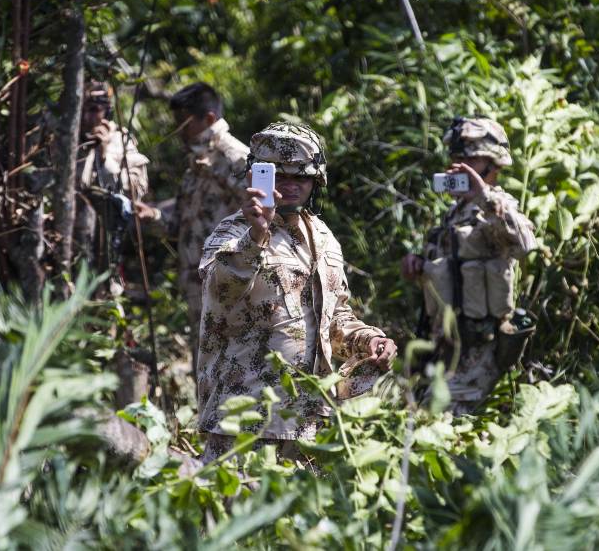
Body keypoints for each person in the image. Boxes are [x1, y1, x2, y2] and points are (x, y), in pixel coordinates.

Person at [196, 122, 397, 463]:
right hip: (246, 418)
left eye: (300, 177)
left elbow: (335, 316)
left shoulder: (323, 237)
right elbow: (220, 292)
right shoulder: (233, 231)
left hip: (310, 420)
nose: (290, 185)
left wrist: (369, 340)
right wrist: (255, 237)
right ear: (257, 176)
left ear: (316, 181)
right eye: (278, 175)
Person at [400, 117, 537, 415]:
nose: (459, 166)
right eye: (455, 158)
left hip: (479, 346)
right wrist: (421, 265)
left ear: (493, 163)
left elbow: (525, 244)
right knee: (414, 412)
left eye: (470, 160)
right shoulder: (456, 212)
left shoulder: (497, 205)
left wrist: (483, 196)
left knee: (436, 420)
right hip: (445, 342)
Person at [134, 82, 248, 377]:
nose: (178, 131)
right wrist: (153, 216)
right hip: (198, 285)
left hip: (230, 284)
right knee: (205, 365)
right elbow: (184, 226)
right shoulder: (196, 165)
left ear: (208, 119)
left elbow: (264, 218)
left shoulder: (235, 157)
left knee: (234, 366)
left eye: (183, 123)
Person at [72, 80, 150, 276]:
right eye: (82, 109)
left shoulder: (121, 140)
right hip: (69, 240)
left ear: (106, 111)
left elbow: (135, 191)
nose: (87, 117)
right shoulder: (65, 140)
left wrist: (104, 155)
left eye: (94, 109)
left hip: (108, 243)